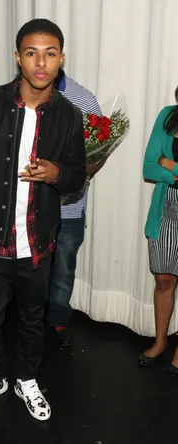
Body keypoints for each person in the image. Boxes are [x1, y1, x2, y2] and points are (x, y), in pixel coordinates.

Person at [0, 19, 86, 420]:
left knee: (32, 319)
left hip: (37, 242)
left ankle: (27, 377)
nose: (40, 62)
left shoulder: (69, 116)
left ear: (61, 59)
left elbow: (78, 176)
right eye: (31, 53)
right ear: (18, 58)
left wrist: (56, 173)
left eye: (50, 53)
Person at [47, 69, 103, 348]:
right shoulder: (23, 95)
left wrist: (83, 171)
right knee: (28, 268)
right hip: (29, 205)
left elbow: (100, 148)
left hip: (69, 207)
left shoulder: (84, 100)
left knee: (63, 267)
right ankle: (28, 320)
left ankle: (57, 320)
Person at [140, 88, 178, 378]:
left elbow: (164, 163)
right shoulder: (168, 116)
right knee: (164, 278)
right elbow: (150, 166)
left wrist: (173, 165)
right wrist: (171, 173)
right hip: (167, 205)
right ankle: (161, 340)